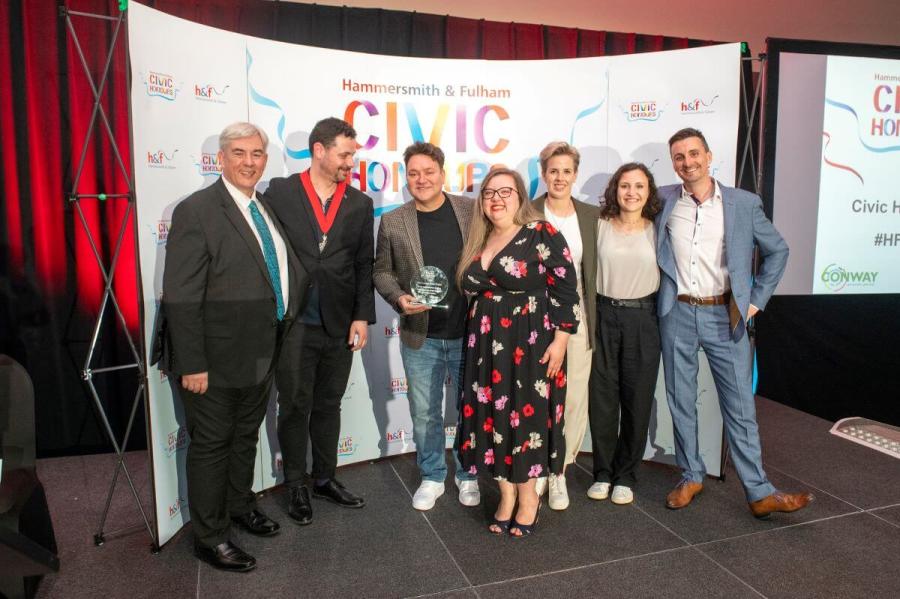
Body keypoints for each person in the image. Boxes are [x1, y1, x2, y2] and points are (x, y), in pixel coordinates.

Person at [157, 122, 306, 572]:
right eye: (239, 153)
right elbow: (181, 294)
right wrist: (193, 363)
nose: (249, 161)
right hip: (213, 361)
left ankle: (239, 507)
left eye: (257, 153)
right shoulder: (197, 210)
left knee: (244, 438)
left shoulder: (262, 207)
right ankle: (210, 536)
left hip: (261, 350)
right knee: (212, 445)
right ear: (220, 159)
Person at [657, 127, 812, 518]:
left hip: (725, 315)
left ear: (709, 156)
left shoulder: (743, 203)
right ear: (673, 163)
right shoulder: (661, 201)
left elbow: (778, 250)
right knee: (680, 401)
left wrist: (756, 300)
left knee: (740, 406)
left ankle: (759, 491)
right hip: (677, 312)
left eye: (694, 154)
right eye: (679, 157)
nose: (687, 162)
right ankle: (691, 475)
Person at [456, 168, 579, 537]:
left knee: (523, 419)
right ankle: (506, 496)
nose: (496, 198)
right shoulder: (480, 238)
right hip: (487, 346)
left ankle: (529, 499)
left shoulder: (541, 233)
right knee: (493, 417)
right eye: (489, 193)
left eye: (505, 191)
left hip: (530, 343)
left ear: (520, 196)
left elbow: (567, 290)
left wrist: (561, 341)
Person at [266, 117, 376, 525]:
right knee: (294, 406)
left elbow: (364, 264)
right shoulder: (280, 192)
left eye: (353, 154)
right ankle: (295, 483)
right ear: (319, 150)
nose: (351, 161)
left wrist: (361, 316)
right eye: (345, 154)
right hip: (294, 322)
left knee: (328, 404)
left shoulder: (360, 203)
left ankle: (325, 478)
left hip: (339, 323)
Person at [373, 142, 480, 511]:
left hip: (470, 332)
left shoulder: (470, 210)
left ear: (442, 173)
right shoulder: (393, 220)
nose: (421, 179)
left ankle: (467, 474)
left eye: (428, 172)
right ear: (406, 177)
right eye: (414, 173)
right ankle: (432, 475)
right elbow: (382, 271)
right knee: (424, 413)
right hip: (422, 335)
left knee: (470, 409)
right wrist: (399, 298)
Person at [531, 142, 600, 510]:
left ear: (576, 174)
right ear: (544, 174)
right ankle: (538, 465)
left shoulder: (591, 215)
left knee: (573, 397)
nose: (559, 177)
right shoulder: (527, 212)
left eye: (566, 171)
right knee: (538, 396)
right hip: (532, 318)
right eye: (553, 171)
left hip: (577, 317)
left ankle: (559, 470)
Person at [588, 163, 661, 506]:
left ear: (649, 192)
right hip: (603, 315)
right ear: (615, 190)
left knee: (637, 400)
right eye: (625, 186)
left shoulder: (659, 229)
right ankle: (602, 473)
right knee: (602, 400)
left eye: (639, 186)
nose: (631, 192)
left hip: (643, 319)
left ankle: (626, 476)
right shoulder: (600, 225)